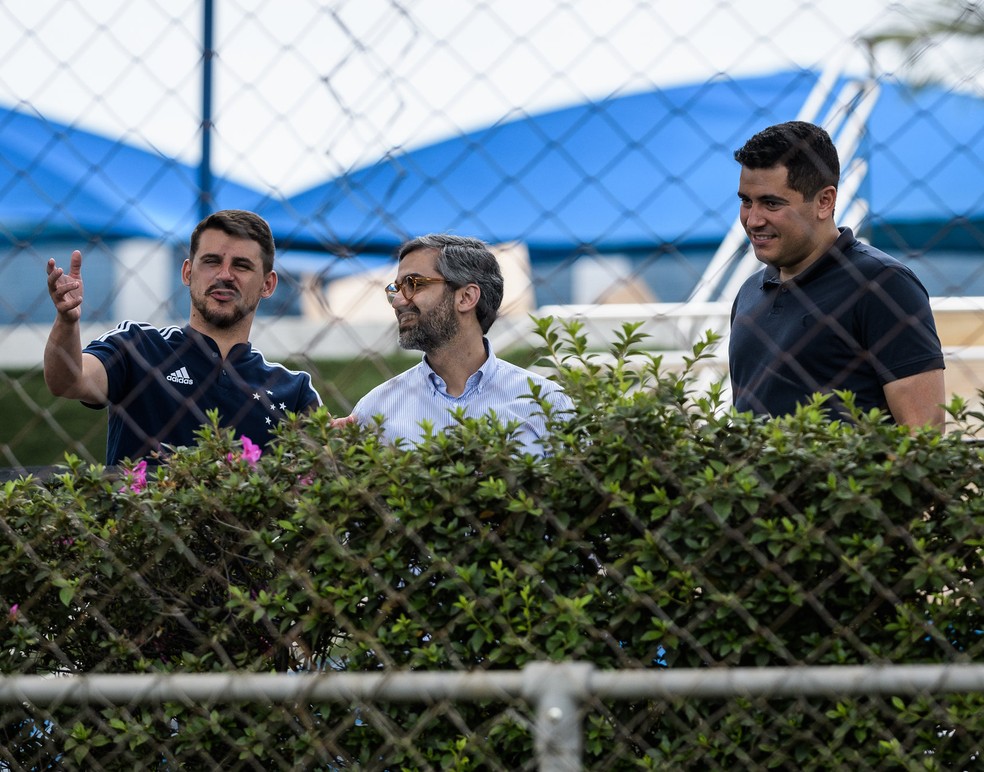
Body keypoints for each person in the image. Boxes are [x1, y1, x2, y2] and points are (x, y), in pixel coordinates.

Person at [45, 209, 322, 465]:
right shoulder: (137, 345)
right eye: (211, 261)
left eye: (241, 265)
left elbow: (325, 471)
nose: (224, 275)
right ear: (188, 272)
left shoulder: (294, 391)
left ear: (268, 284)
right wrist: (67, 322)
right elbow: (68, 381)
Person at [728, 120, 945, 429]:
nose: (753, 219)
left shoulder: (883, 284)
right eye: (746, 201)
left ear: (824, 201)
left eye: (771, 203)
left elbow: (924, 432)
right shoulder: (749, 291)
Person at [338, 233, 573, 455]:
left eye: (412, 284)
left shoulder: (547, 403)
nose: (398, 301)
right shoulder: (375, 410)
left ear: (466, 297)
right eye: (395, 288)